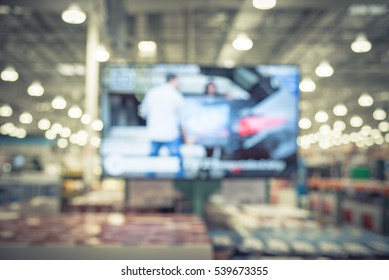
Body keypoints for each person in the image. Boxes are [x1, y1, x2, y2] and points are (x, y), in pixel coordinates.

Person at [139, 73, 185, 177]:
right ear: (173, 80)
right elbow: (182, 119)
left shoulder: (152, 93)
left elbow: (143, 112)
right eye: (179, 80)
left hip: (154, 133)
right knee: (178, 164)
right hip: (171, 134)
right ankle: (183, 186)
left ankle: (148, 185)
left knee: (151, 164)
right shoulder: (177, 96)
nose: (180, 83)